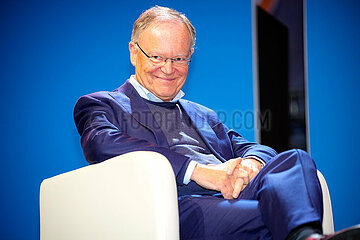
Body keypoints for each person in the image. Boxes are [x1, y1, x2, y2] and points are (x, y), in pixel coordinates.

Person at [74, 6, 359, 240]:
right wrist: (198, 171)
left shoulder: (203, 115)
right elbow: (102, 144)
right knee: (275, 215)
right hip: (178, 205)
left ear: (190, 58)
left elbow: (253, 148)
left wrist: (249, 165)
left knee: (295, 158)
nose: (169, 68)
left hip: (233, 193)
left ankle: (307, 238)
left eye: (179, 58)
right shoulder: (102, 104)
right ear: (134, 52)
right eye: (158, 56)